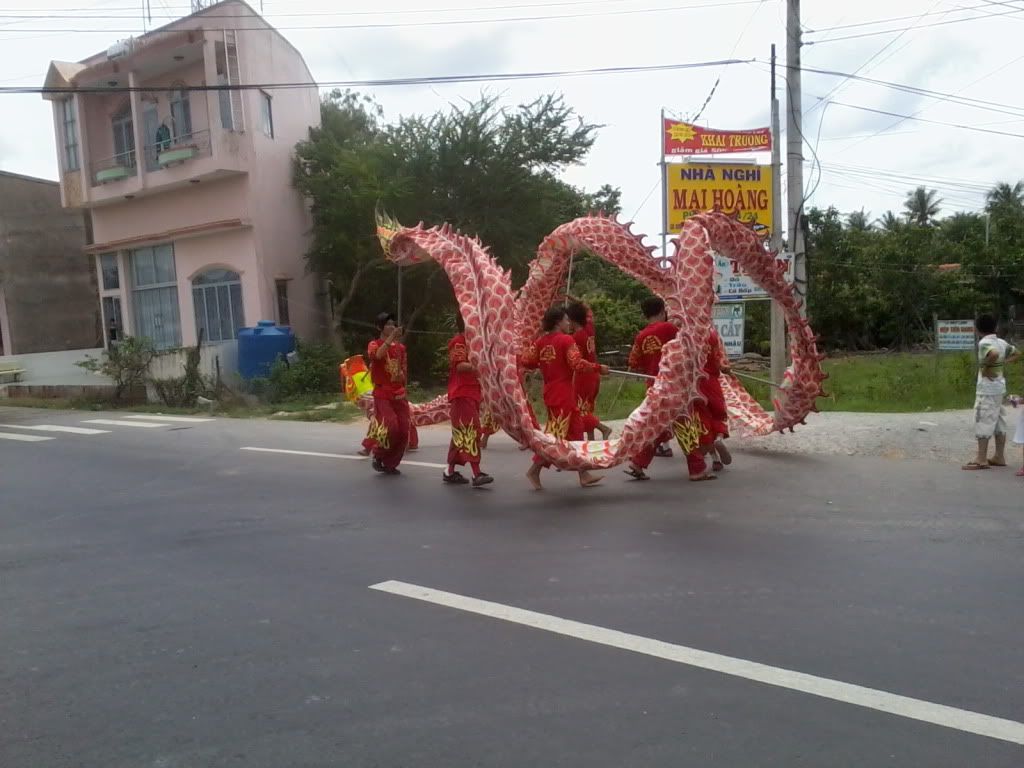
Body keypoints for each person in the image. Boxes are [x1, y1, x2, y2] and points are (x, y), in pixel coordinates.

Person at [521, 306, 609, 490]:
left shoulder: (540, 342)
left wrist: (545, 363)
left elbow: (526, 361)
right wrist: (598, 368)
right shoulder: (566, 340)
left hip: (555, 391)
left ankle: (583, 474)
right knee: (556, 436)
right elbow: (577, 364)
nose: (568, 323)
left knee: (576, 432)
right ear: (558, 322)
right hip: (562, 393)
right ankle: (534, 470)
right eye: (565, 320)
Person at [624, 297, 680, 480]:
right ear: (663, 311)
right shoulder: (670, 329)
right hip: (673, 384)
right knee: (686, 421)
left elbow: (633, 361)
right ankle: (700, 464)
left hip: (653, 385)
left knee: (658, 425)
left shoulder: (640, 336)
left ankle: (639, 462)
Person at [963, 314, 1020, 470]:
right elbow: (1017, 353)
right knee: (998, 420)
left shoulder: (984, 343)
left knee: (983, 419)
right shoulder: (1001, 342)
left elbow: (993, 354)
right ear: (995, 328)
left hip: (987, 389)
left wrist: (986, 366)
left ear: (977, 329)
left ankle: (981, 458)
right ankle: (999, 455)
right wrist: (1003, 363)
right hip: (999, 387)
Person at [443, 314, 494, 487]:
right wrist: (480, 365)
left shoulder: (474, 343)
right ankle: (476, 473)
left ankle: (449, 471)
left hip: (472, 392)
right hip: (462, 392)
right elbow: (460, 365)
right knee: (471, 430)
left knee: (461, 432)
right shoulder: (459, 341)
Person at [367, 312, 410, 475]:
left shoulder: (401, 349)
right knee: (391, 427)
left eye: (393, 324)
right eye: (388, 324)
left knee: (404, 430)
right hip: (382, 393)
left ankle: (391, 463)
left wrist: (402, 378)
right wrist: (391, 338)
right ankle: (378, 455)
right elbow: (377, 356)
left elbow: (404, 371)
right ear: (380, 327)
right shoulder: (373, 344)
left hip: (398, 393)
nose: (392, 327)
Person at [566, 301, 612, 441]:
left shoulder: (575, 338)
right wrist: (576, 301)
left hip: (584, 376)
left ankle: (603, 428)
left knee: (580, 410)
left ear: (572, 320)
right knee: (588, 408)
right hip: (595, 374)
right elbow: (589, 311)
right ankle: (590, 438)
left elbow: (576, 361)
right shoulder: (589, 328)